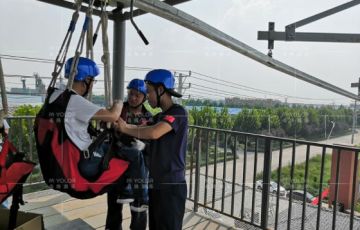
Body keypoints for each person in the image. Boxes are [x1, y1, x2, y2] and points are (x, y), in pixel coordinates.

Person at [115, 69, 188, 230]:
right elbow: (142, 129)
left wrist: (125, 127)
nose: (147, 96)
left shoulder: (178, 113)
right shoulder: (157, 117)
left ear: (161, 90)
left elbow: (154, 132)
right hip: (156, 185)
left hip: (171, 187)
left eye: (148, 91)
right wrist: (118, 123)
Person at [48, 56, 123, 179]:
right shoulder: (74, 100)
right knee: (131, 153)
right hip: (85, 162)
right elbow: (113, 116)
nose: (92, 84)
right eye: (93, 81)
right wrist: (119, 103)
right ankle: (129, 195)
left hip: (62, 160)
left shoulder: (55, 95)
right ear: (86, 79)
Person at [106, 78, 152, 230]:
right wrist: (108, 123)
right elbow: (104, 124)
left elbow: (151, 142)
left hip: (138, 170)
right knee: (114, 205)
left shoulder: (148, 118)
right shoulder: (118, 110)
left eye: (137, 95)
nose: (132, 98)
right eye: (131, 94)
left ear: (144, 98)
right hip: (116, 165)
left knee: (139, 206)